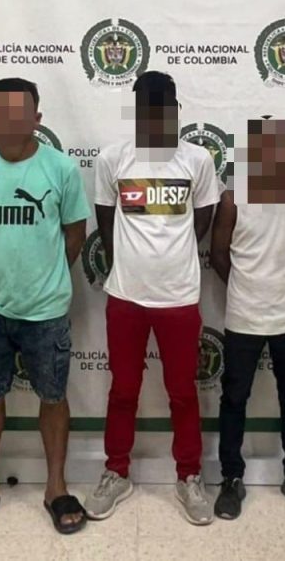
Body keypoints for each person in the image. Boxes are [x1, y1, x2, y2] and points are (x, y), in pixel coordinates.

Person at [0, 78, 90, 535]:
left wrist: (45, 278)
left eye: (19, 112)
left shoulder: (61, 169)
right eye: (2, 111)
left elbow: (75, 234)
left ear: (36, 119)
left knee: (54, 398)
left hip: (46, 311)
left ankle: (56, 487)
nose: (10, 120)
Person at [86, 71, 220, 525]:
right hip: (126, 296)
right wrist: (131, 264)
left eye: (164, 111)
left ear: (176, 111)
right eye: (147, 111)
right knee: (123, 390)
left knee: (182, 392)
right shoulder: (113, 159)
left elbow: (203, 218)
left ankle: (189, 476)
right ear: (137, 113)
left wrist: (171, 256)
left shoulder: (198, 160)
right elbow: (106, 222)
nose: (156, 119)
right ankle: (116, 472)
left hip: (179, 298)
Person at [210, 116, 285, 520]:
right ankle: (231, 479)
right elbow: (219, 254)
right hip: (244, 317)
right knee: (234, 399)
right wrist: (247, 288)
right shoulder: (233, 199)